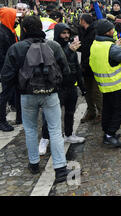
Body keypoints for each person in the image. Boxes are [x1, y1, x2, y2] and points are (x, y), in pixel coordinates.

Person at [1, 16, 71, 182]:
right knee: (54, 129)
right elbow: (65, 70)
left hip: (27, 95)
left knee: (30, 129)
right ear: (41, 27)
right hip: (50, 93)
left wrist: (14, 91)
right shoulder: (53, 45)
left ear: (24, 30)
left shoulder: (16, 48)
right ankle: (60, 169)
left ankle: (33, 164)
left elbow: (6, 75)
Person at [39, 23, 87, 155]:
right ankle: (44, 138)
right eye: (63, 33)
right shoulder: (52, 46)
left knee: (70, 112)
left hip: (71, 86)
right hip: (57, 88)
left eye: (68, 33)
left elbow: (76, 67)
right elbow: (56, 63)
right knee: (51, 116)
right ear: (57, 34)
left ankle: (69, 134)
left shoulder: (70, 46)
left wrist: (82, 87)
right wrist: (69, 51)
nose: (66, 36)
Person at [89, 19, 121, 148]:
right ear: (107, 32)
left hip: (104, 84)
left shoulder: (96, 43)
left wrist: (117, 46)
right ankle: (110, 133)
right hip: (115, 84)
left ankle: (106, 133)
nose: (113, 30)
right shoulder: (111, 47)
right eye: (111, 29)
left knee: (108, 109)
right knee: (120, 109)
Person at [78, 12, 102, 123]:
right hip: (85, 66)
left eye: (80, 19)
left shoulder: (94, 32)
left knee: (96, 91)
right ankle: (91, 112)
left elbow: (93, 50)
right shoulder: (83, 31)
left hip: (94, 65)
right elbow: (84, 47)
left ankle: (101, 113)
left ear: (84, 21)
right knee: (87, 90)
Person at [0, 8, 18, 132]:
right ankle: (1, 121)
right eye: (14, 16)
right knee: (3, 96)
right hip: (5, 71)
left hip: (9, 69)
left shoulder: (9, 30)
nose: (16, 19)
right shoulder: (2, 34)